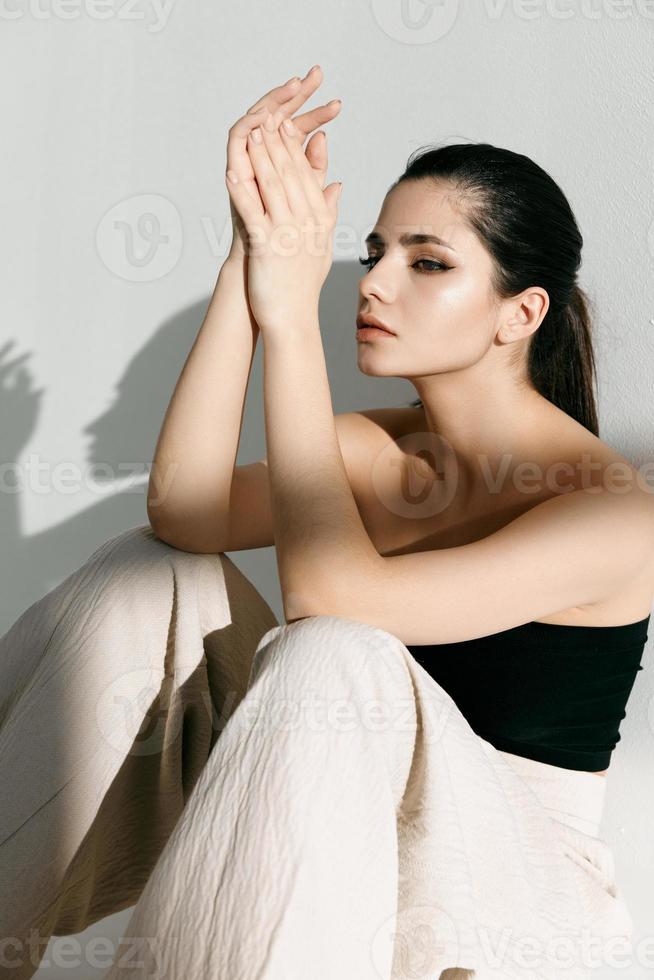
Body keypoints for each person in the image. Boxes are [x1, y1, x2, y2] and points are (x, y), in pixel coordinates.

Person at [1, 66, 652, 980]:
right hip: (332, 826)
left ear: (522, 313)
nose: (374, 282)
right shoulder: (380, 453)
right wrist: (249, 263)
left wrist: (294, 324)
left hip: (519, 892)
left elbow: (329, 600)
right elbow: (186, 512)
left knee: (334, 650)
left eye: (427, 263)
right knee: (148, 573)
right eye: (374, 252)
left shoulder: (614, 512)